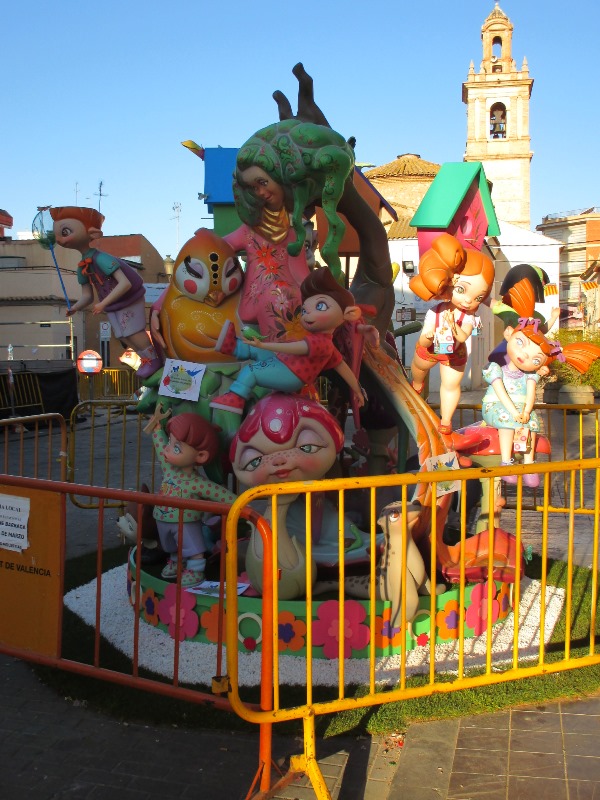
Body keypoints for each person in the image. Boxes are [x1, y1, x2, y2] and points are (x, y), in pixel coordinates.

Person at [223, 119, 355, 342]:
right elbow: (221, 246)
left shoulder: (294, 230)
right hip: (255, 303)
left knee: (283, 295)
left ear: (280, 178)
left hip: (288, 306)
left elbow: (299, 270)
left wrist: (318, 292)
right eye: (253, 188)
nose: (260, 192)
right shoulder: (250, 230)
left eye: (262, 182)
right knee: (278, 294)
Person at [209, 266, 375, 414]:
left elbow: (296, 348)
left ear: (349, 314)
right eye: (304, 310)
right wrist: (357, 390)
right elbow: (343, 368)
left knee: (252, 371)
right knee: (261, 352)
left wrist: (264, 343)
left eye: (320, 306)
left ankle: (235, 399)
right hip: (287, 365)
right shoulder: (325, 344)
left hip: (292, 375)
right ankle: (234, 347)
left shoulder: (322, 344)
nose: (308, 314)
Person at [482, 317, 600, 486]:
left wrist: (526, 412)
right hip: (496, 405)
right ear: (508, 334)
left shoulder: (530, 375)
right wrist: (515, 413)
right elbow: (500, 393)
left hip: (520, 409)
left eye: (536, 359)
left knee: (533, 422)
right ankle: (506, 463)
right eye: (520, 343)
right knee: (505, 419)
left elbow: (531, 395)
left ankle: (529, 465)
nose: (524, 355)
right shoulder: (495, 369)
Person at [50, 206, 161, 378]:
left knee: (133, 331)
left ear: (92, 233)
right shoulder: (83, 266)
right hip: (112, 304)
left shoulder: (101, 258)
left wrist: (103, 303)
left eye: (65, 231)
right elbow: (87, 296)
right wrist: (75, 307)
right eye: (57, 234)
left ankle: (154, 359)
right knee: (123, 335)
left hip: (128, 298)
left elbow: (125, 283)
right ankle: (146, 359)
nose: (60, 239)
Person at [409, 234, 495, 442]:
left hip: (454, 354)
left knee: (450, 385)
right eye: (462, 290)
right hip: (431, 350)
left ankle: (446, 420)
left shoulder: (468, 316)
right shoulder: (435, 312)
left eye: (478, 297)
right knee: (419, 365)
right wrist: (428, 337)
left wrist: (457, 332)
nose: (468, 300)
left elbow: (465, 333)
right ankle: (417, 382)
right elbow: (423, 341)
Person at [144, 404, 237, 586]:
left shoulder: (197, 483)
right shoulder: (169, 469)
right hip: (163, 517)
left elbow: (220, 494)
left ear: (200, 456)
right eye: (171, 443)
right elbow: (160, 446)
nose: (168, 449)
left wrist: (243, 504)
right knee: (169, 543)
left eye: (176, 448)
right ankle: (175, 560)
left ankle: (195, 568)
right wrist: (156, 430)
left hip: (185, 521)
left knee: (191, 545)